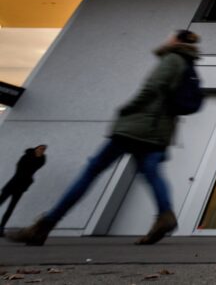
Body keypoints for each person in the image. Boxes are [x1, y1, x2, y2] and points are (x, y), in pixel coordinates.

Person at [9, 30, 201, 247]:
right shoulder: (187, 63)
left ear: (177, 40)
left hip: (137, 127)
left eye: (170, 36)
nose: (167, 38)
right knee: (152, 173)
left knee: (92, 170)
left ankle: (44, 225)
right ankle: (165, 216)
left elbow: (152, 87)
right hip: (159, 130)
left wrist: (127, 109)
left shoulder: (172, 59)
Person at [0, 145, 47, 236]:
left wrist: (38, 157)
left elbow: (36, 167)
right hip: (12, 184)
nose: (42, 150)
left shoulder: (41, 159)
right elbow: (20, 168)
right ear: (36, 148)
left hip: (21, 187)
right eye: (40, 148)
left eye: (43, 149)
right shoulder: (26, 156)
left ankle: (1, 228)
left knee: (11, 208)